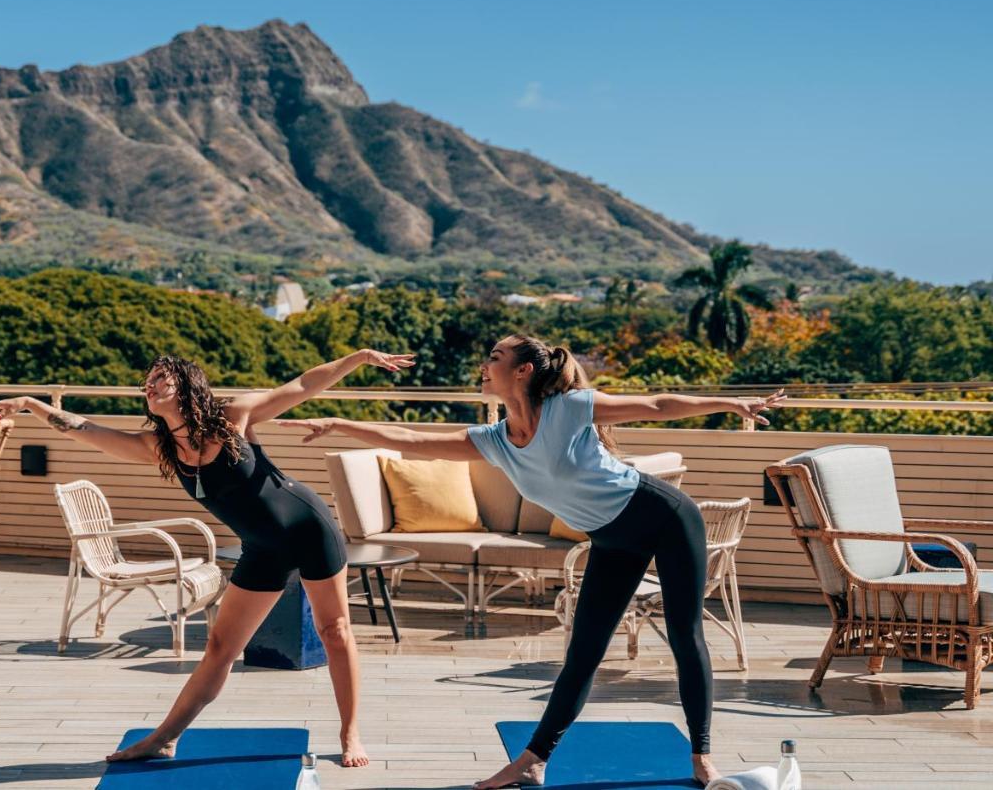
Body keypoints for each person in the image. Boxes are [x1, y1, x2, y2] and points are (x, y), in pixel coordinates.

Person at [279, 334, 784, 788]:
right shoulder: (494, 441)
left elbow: (654, 404)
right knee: (583, 655)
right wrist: (341, 423)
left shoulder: (568, 408)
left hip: (668, 519)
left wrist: (730, 402)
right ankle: (534, 761)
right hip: (613, 541)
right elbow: (411, 441)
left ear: (522, 371)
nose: (485, 363)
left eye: (495, 355)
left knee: (684, 635)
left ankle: (702, 759)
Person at [0, 347, 415, 769]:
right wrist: (33, 404)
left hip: (308, 528)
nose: (149, 385)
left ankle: (349, 733)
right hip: (262, 548)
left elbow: (301, 384)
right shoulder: (160, 447)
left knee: (333, 631)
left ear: (185, 385)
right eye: (146, 381)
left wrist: (357, 359)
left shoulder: (232, 419)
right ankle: (163, 738)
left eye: (160, 378)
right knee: (221, 647)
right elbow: (87, 431)